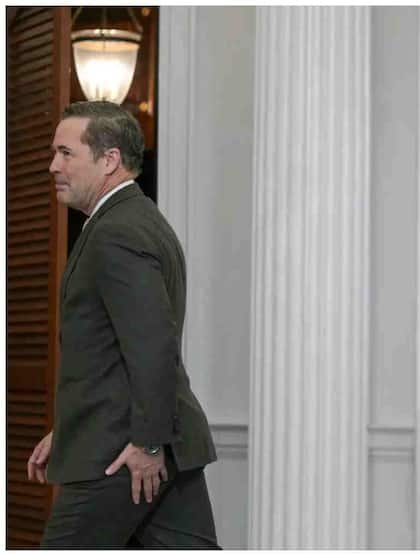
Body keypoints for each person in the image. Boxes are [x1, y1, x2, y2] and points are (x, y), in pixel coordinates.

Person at [27, 101, 219, 548]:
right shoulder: (138, 219)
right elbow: (110, 356)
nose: (53, 165)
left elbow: (152, 346)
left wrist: (148, 444)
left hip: (122, 455)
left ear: (109, 159)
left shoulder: (116, 231)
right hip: (154, 441)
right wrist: (69, 430)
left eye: (66, 153)